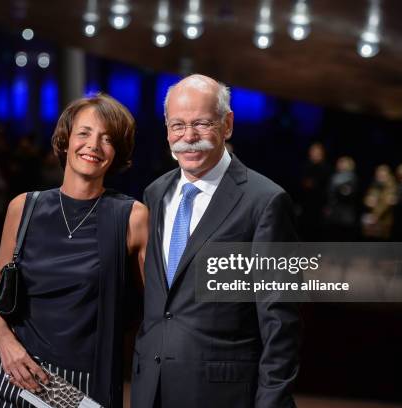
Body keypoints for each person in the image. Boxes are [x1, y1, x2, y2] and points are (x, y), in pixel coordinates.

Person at [131, 74, 300, 408]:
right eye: (177, 125)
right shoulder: (154, 193)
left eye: (202, 123)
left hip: (223, 395)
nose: (188, 137)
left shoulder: (265, 201)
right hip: (150, 390)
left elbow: (280, 320)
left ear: (228, 124)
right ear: (166, 128)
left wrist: (272, 402)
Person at [0, 93, 148, 408]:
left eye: (107, 139)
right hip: (16, 377)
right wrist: (7, 345)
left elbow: (152, 311)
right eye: (84, 133)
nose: (93, 145)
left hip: (84, 389)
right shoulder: (24, 207)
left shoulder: (132, 217)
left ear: (117, 153)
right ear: (65, 140)